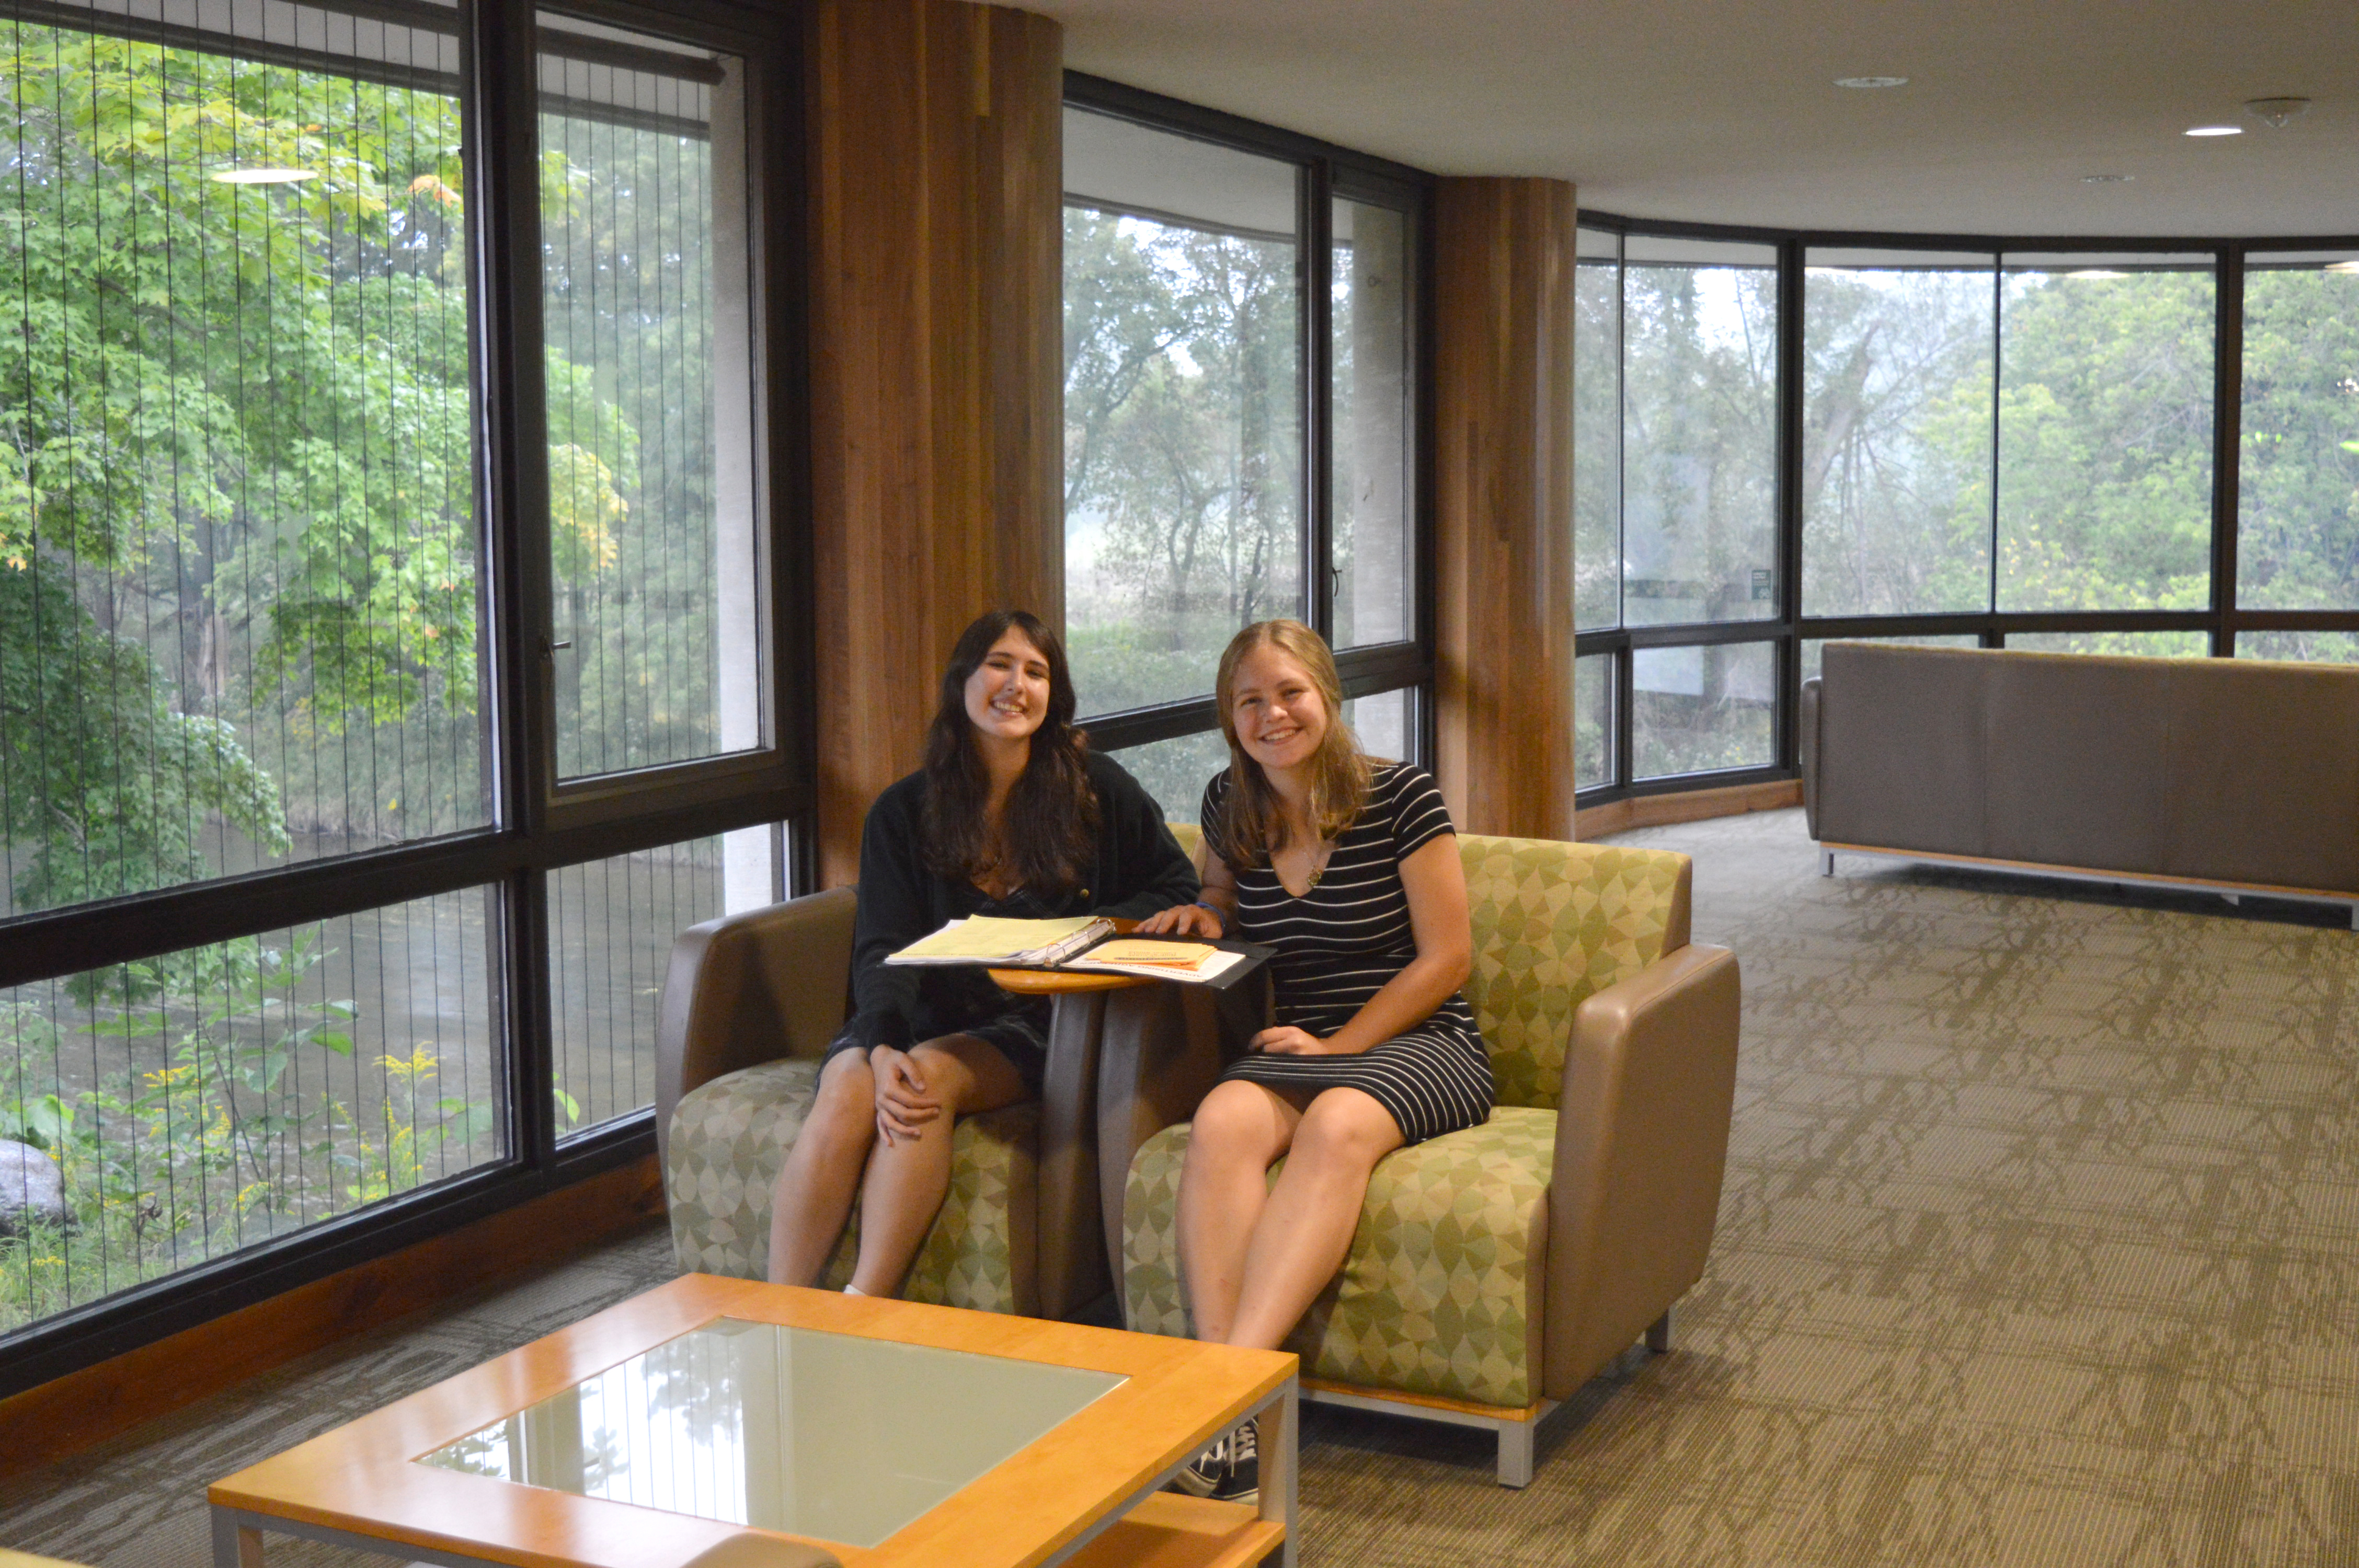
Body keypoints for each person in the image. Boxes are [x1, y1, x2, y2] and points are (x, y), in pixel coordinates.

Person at [1138, 619, 1491, 1502]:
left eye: (1289, 693)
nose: (1272, 715)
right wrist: (1205, 915)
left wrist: (1344, 1048)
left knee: (1337, 1122)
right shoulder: (1232, 801)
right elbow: (1218, 890)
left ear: (1327, 698)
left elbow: (1447, 957)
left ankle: (1226, 1395)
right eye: (1249, 701)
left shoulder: (1403, 795)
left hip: (1420, 1041)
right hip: (1300, 1043)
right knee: (1221, 1120)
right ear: (1230, 718)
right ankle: (1233, 1432)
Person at [766, 609, 1198, 1297]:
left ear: (1053, 694)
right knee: (851, 1088)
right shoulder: (902, 811)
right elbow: (884, 947)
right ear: (963, 680)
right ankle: (780, 1310)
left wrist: (1100, 928)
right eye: (1000, 664)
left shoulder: (1096, 790)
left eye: (1037, 671)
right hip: (912, 1008)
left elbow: (1175, 882)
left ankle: (860, 1306)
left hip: (1030, 1023)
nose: (1017, 685)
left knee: (923, 1083)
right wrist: (879, 1045)